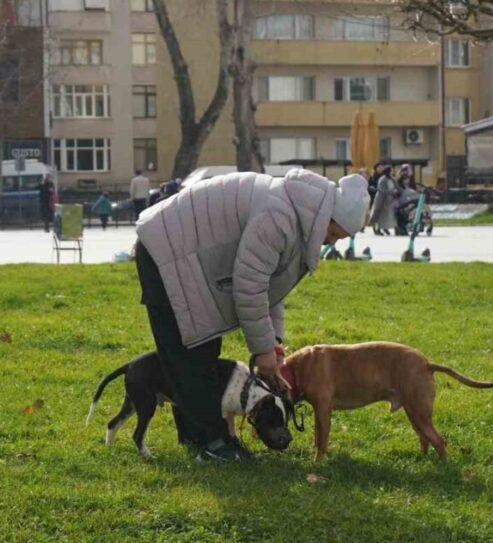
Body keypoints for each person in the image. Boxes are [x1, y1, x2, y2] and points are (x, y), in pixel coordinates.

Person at [134, 170, 369, 461]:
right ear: (326, 218)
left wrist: (274, 347)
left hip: (184, 253)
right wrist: (262, 351)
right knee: (190, 354)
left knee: (198, 352)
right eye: (333, 234)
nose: (330, 243)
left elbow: (271, 288)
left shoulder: (295, 213)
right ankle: (215, 444)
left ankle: (199, 438)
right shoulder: (280, 218)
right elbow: (249, 287)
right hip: (167, 251)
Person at [368, 165, 398, 236]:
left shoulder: (392, 179)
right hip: (381, 199)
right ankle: (377, 229)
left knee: (389, 216)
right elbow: (381, 190)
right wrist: (391, 192)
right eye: (391, 171)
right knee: (379, 214)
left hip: (389, 201)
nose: (392, 172)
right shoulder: (382, 179)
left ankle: (388, 228)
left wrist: (398, 191)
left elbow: (397, 187)